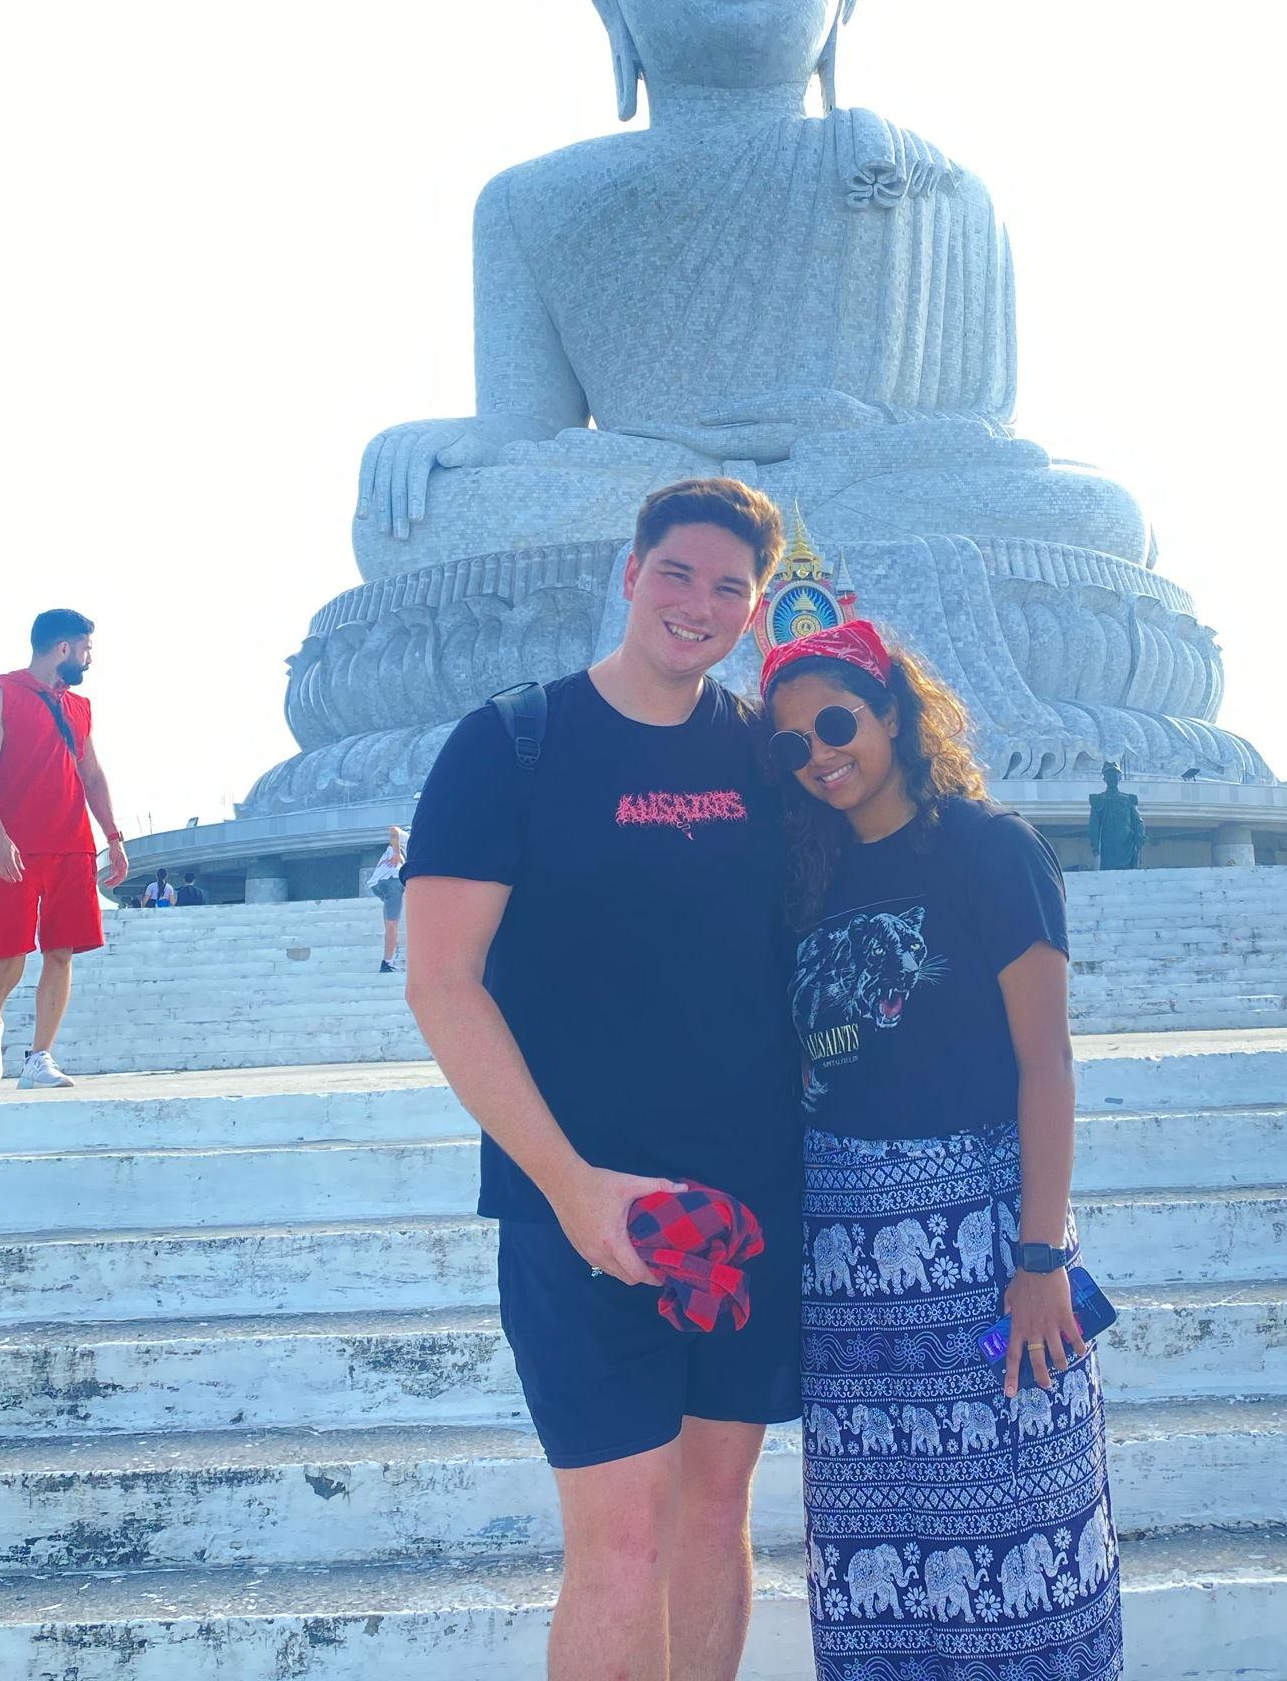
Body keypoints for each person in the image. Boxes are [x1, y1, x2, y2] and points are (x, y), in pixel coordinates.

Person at [401, 478, 799, 1681]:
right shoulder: (510, 742)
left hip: (744, 1202)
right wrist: (572, 1188)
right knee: (621, 1537)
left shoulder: (764, 753)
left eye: (728, 586)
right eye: (676, 571)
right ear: (630, 574)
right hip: (577, 1204)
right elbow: (442, 983)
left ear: (754, 609)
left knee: (714, 1507)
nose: (697, 602)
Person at [763, 619, 1122, 1679]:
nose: (819, 755)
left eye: (837, 724)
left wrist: (1040, 1258)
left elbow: (1046, 1062)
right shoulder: (804, 877)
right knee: (876, 1561)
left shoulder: (989, 849)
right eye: (791, 744)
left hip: (984, 1244)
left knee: (1023, 1545)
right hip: (847, 1271)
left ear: (892, 714)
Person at [0, 608, 128, 1090]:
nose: (89, 658)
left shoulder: (79, 707)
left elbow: (92, 774)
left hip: (72, 848)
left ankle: (40, 1058)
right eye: (86, 648)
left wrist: (113, 837)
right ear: (63, 648)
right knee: (9, 952)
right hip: (14, 848)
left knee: (61, 952)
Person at [367, 826, 406, 972]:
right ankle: (387, 963)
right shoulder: (408, 839)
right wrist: (397, 853)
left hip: (378, 884)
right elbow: (394, 830)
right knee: (392, 925)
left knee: (390, 923)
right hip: (392, 881)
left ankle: (389, 959)